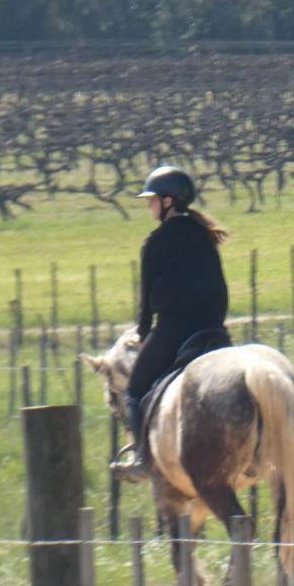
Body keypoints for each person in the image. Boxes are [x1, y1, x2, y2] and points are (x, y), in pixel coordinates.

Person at [109, 166, 231, 481]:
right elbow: (220, 289)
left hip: (174, 331)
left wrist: (144, 334)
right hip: (213, 329)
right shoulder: (205, 235)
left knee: (134, 393)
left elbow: (147, 301)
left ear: (167, 202)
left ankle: (142, 459)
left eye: (151, 200)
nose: (148, 205)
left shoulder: (157, 241)